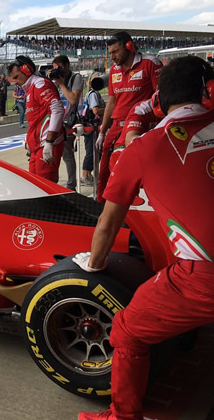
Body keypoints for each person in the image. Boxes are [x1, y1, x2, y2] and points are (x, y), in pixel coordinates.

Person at [74, 55, 214, 420]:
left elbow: (107, 223)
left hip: (202, 277)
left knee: (126, 331)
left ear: (161, 99)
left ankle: (123, 416)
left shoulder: (144, 146)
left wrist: (95, 263)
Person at [95, 31, 162, 202]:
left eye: (115, 52)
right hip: (116, 126)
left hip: (139, 126)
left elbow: (160, 98)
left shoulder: (150, 63)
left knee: (130, 171)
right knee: (104, 171)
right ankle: (101, 205)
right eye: (110, 53)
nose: (113, 57)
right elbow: (111, 102)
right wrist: (103, 131)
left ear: (129, 46)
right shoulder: (114, 71)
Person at [8, 55, 64, 182]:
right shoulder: (32, 87)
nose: (15, 82)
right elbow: (37, 120)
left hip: (46, 145)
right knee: (36, 187)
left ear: (27, 70)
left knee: (45, 190)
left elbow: (57, 109)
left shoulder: (40, 84)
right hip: (37, 147)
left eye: (16, 77)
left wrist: (49, 142)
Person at [50, 55, 84, 191]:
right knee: (53, 154)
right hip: (57, 121)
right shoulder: (55, 80)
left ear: (67, 66)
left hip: (69, 122)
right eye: (55, 68)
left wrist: (61, 83)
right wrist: (51, 81)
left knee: (67, 155)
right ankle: (54, 183)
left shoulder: (76, 78)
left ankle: (71, 186)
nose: (57, 71)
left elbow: (73, 99)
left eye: (60, 68)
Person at [80, 73, 106, 187]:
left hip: (93, 127)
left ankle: (88, 174)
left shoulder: (92, 93)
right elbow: (95, 110)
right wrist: (108, 109)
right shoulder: (94, 94)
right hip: (93, 126)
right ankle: (85, 176)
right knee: (92, 151)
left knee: (94, 151)